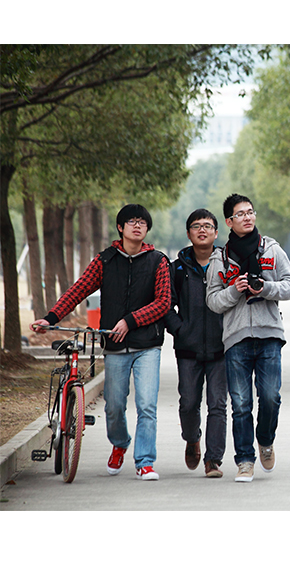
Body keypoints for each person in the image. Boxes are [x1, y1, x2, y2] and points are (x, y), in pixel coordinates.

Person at [31, 204, 170, 481]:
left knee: (147, 406)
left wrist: (130, 321)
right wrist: (51, 317)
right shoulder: (105, 260)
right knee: (114, 406)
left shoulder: (158, 261)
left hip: (148, 345)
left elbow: (163, 302)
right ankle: (119, 444)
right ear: (120, 227)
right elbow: (79, 289)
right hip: (115, 347)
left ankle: (145, 461)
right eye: (131, 221)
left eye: (142, 222)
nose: (137, 226)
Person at [206, 194, 290, 483]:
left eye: (250, 212)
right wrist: (234, 290)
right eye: (240, 214)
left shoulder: (271, 249)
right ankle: (245, 460)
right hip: (236, 338)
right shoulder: (220, 258)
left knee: (270, 397)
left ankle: (265, 440)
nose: (247, 217)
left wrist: (265, 288)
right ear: (229, 221)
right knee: (241, 403)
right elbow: (212, 301)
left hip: (269, 334)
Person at [164, 209, 227, 478]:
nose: (202, 230)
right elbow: (165, 305)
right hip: (187, 348)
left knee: (218, 404)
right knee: (188, 402)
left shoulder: (227, 264)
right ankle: (192, 438)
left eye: (208, 226)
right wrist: (180, 330)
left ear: (216, 232)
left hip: (222, 347)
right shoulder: (177, 268)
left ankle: (213, 459)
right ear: (188, 233)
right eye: (196, 226)